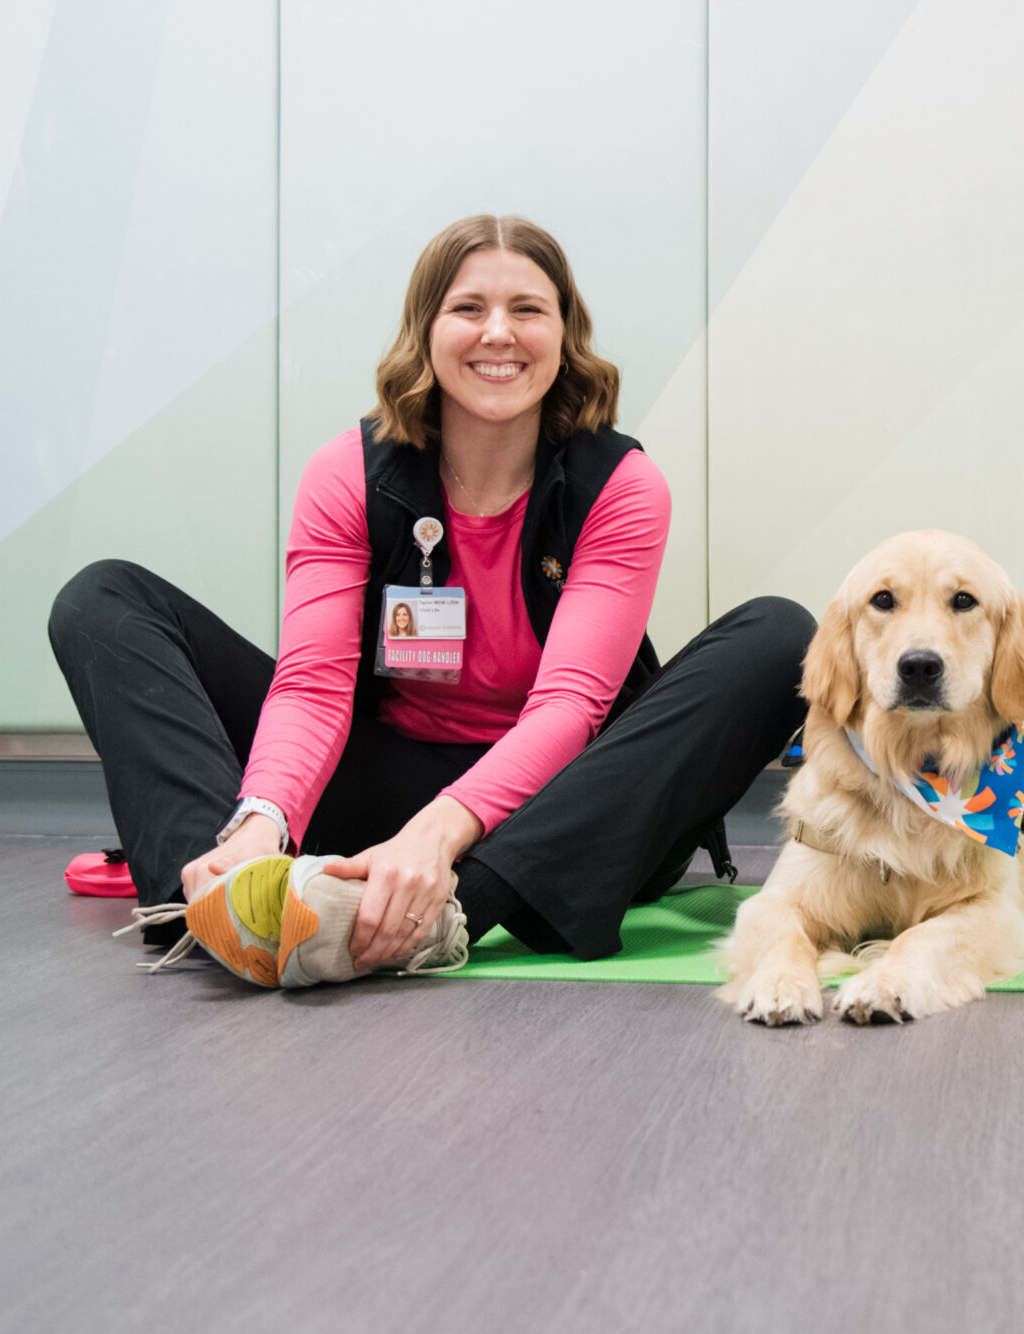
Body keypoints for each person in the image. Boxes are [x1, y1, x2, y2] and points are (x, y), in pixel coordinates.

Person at [50, 214, 813, 985]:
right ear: (426, 329)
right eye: (469, 308)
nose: (498, 334)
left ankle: (444, 915)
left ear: (564, 334)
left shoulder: (619, 486)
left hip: (571, 812)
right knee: (102, 600)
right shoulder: (347, 472)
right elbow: (312, 685)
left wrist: (435, 839)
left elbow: (570, 707)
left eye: (527, 310)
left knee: (783, 636)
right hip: (384, 784)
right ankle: (225, 895)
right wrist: (263, 820)